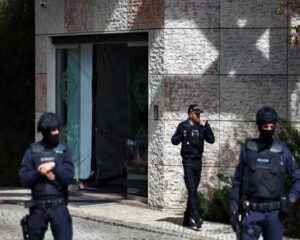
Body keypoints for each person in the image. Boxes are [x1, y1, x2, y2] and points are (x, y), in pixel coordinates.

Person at [230, 106, 300, 240]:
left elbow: (298, 177)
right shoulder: (248, 150)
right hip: (252, 212)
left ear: (275, 126)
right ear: (259, 126)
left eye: (271, 126)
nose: (268, 129)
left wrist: (291, 199)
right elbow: (237, 182)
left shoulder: (282, 151)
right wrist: (233, 209)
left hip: (275, 214)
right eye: (265, 126)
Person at [19, 112, 74, 240]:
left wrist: (54, 165)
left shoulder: (64, 151)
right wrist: (39, 172)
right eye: (53, 130)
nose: (56, 132)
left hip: (59, 207)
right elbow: (23, 179)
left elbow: (69, 178)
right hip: (38, 209)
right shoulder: (31, 152)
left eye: (58, 129)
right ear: (44, 131)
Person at [171, 104, 215, 230]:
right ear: (190, 114)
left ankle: (186, 218)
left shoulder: (201, 127)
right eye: (196, 114)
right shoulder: (183, 126)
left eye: (199, 114)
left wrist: (207, 126)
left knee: (193, 192)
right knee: (191, 190)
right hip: (188, 161)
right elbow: (173, 140)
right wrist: (182, 135)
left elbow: (211, 140)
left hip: (198, 162)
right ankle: (196, 217)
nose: (198, 116)